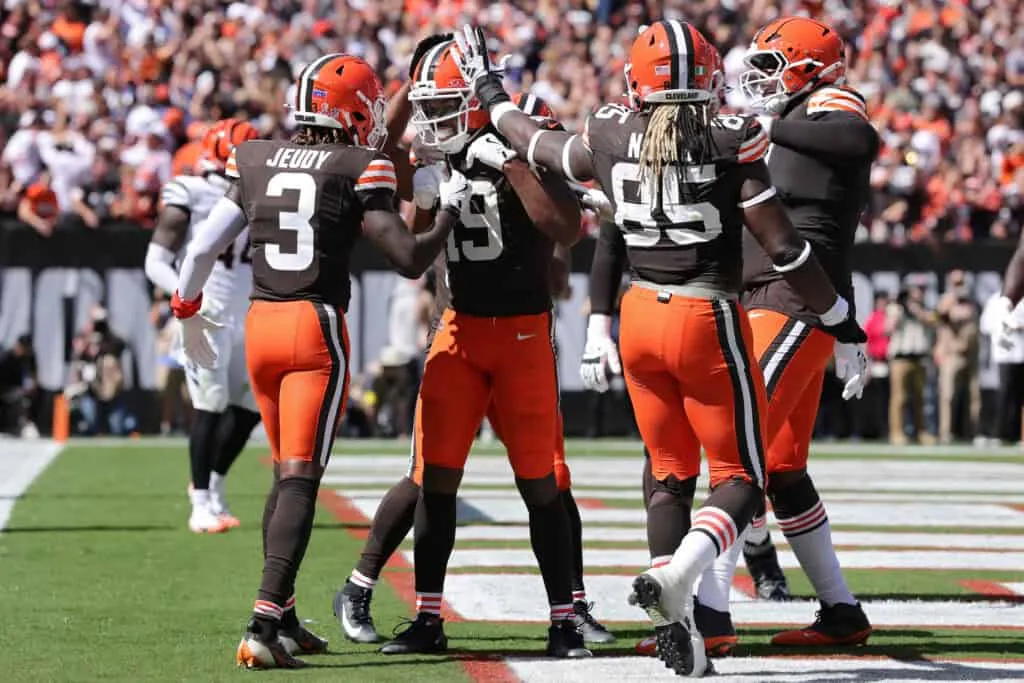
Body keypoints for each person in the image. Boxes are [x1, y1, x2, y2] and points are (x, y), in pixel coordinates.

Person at [451, 21, 866, 677]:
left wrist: (488, 87)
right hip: (707, 313)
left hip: (638, 316)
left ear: (632, 81)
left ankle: (682, 632)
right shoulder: (732, 136)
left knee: (668, 475)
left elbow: (533, 140)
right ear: (706, 79)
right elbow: (787, 249)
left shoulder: (611, 131)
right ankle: (682, 578)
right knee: (741, 477)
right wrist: (842, 318)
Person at [171, 53, 462, 670]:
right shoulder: (357, 162)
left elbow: (201, 245)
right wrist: (448, 212)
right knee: (301, 477)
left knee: (283, 475)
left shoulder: (251, 155)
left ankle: (285, 616)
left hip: (260, 325)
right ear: (353, 109)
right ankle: (263, 619)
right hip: (313, 329)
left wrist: (186, 306)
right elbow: (408, 258)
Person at [334, 43, 612, 649]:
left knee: (542, 481)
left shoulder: (524, 125)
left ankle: (566, 619)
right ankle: (429, 619)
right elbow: (384, 170)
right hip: (458, 327)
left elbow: (565, 228)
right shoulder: (432, 146)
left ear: (476, 100)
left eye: (442, 104)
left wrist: (511, 163)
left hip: (522, 333)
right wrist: (431, 195)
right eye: (425, 105)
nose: (431, 120)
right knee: (436, 476)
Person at [685, 16, 877, 654]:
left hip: (797, 300)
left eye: (772, 67)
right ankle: (842, 611)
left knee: (734, 455)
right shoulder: (793, 121)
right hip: (771, 297)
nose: (760, 81)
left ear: (811, 68)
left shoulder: (830, 109)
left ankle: (707, 618)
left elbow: (858, 139)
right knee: (783, 467)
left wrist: (771, 127)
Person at [145, 118, 263, 534]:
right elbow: (155, 261)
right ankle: (199, 503)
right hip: (206, 310)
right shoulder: (192, 193)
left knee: (250, 409)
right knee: (210, 406)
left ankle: (213, 487)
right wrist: (186, 295)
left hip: (249, 313)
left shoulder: (265, 194)